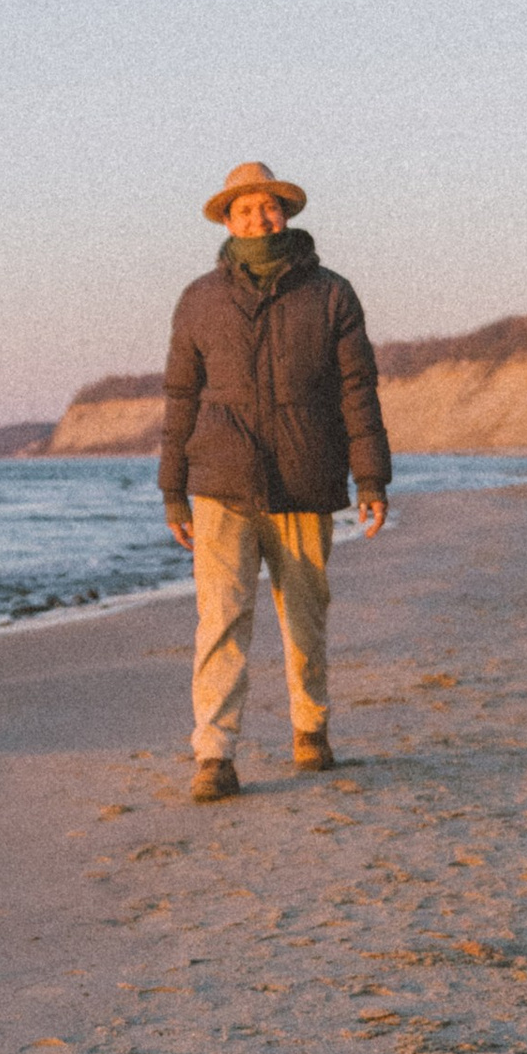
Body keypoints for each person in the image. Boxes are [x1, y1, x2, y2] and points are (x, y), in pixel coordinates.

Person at [157, 162, 391, 801]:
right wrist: (172, 490)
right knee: (222, 621)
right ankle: (215, 755)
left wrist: (371, 478)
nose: (260, 218)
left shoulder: (332, 293)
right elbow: (181, 397)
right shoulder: (199, 298)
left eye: (270, 207)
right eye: (247, 209)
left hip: (305, 475)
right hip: (221, 481)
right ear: (228, 220)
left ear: (285, 215)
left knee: (306, 618)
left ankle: (310, 730)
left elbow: (357, 391)